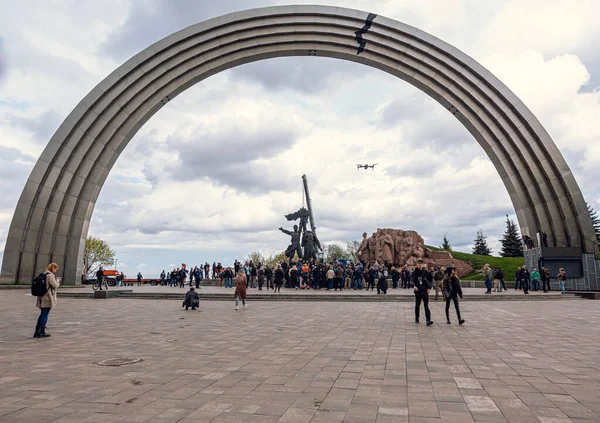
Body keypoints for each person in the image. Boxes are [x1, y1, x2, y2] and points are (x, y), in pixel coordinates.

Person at [33, 263, 61, 338]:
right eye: (55, 269)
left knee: (42, 314)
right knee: (45, 314)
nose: (56, 270)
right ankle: (42, 331)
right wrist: (57, 281)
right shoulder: (50, 275)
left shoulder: (43, 274)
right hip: (47, 297)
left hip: (41, 296)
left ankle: (37, 331)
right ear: (52, 268)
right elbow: (55, 285)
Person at [412, 260, 433, 326]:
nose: (420, 265)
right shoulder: (414, 272)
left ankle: (428, 320)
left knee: (426, 305)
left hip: (425, 291)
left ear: (423, 264)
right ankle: (417, 317)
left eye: (421, 263)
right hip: (418, 291)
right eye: (418, 263)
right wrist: (414, 285)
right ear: (416, 264)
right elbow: (412, 280)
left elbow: (431, 280)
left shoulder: (426, 272)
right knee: (417, 305)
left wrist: (429, 288)